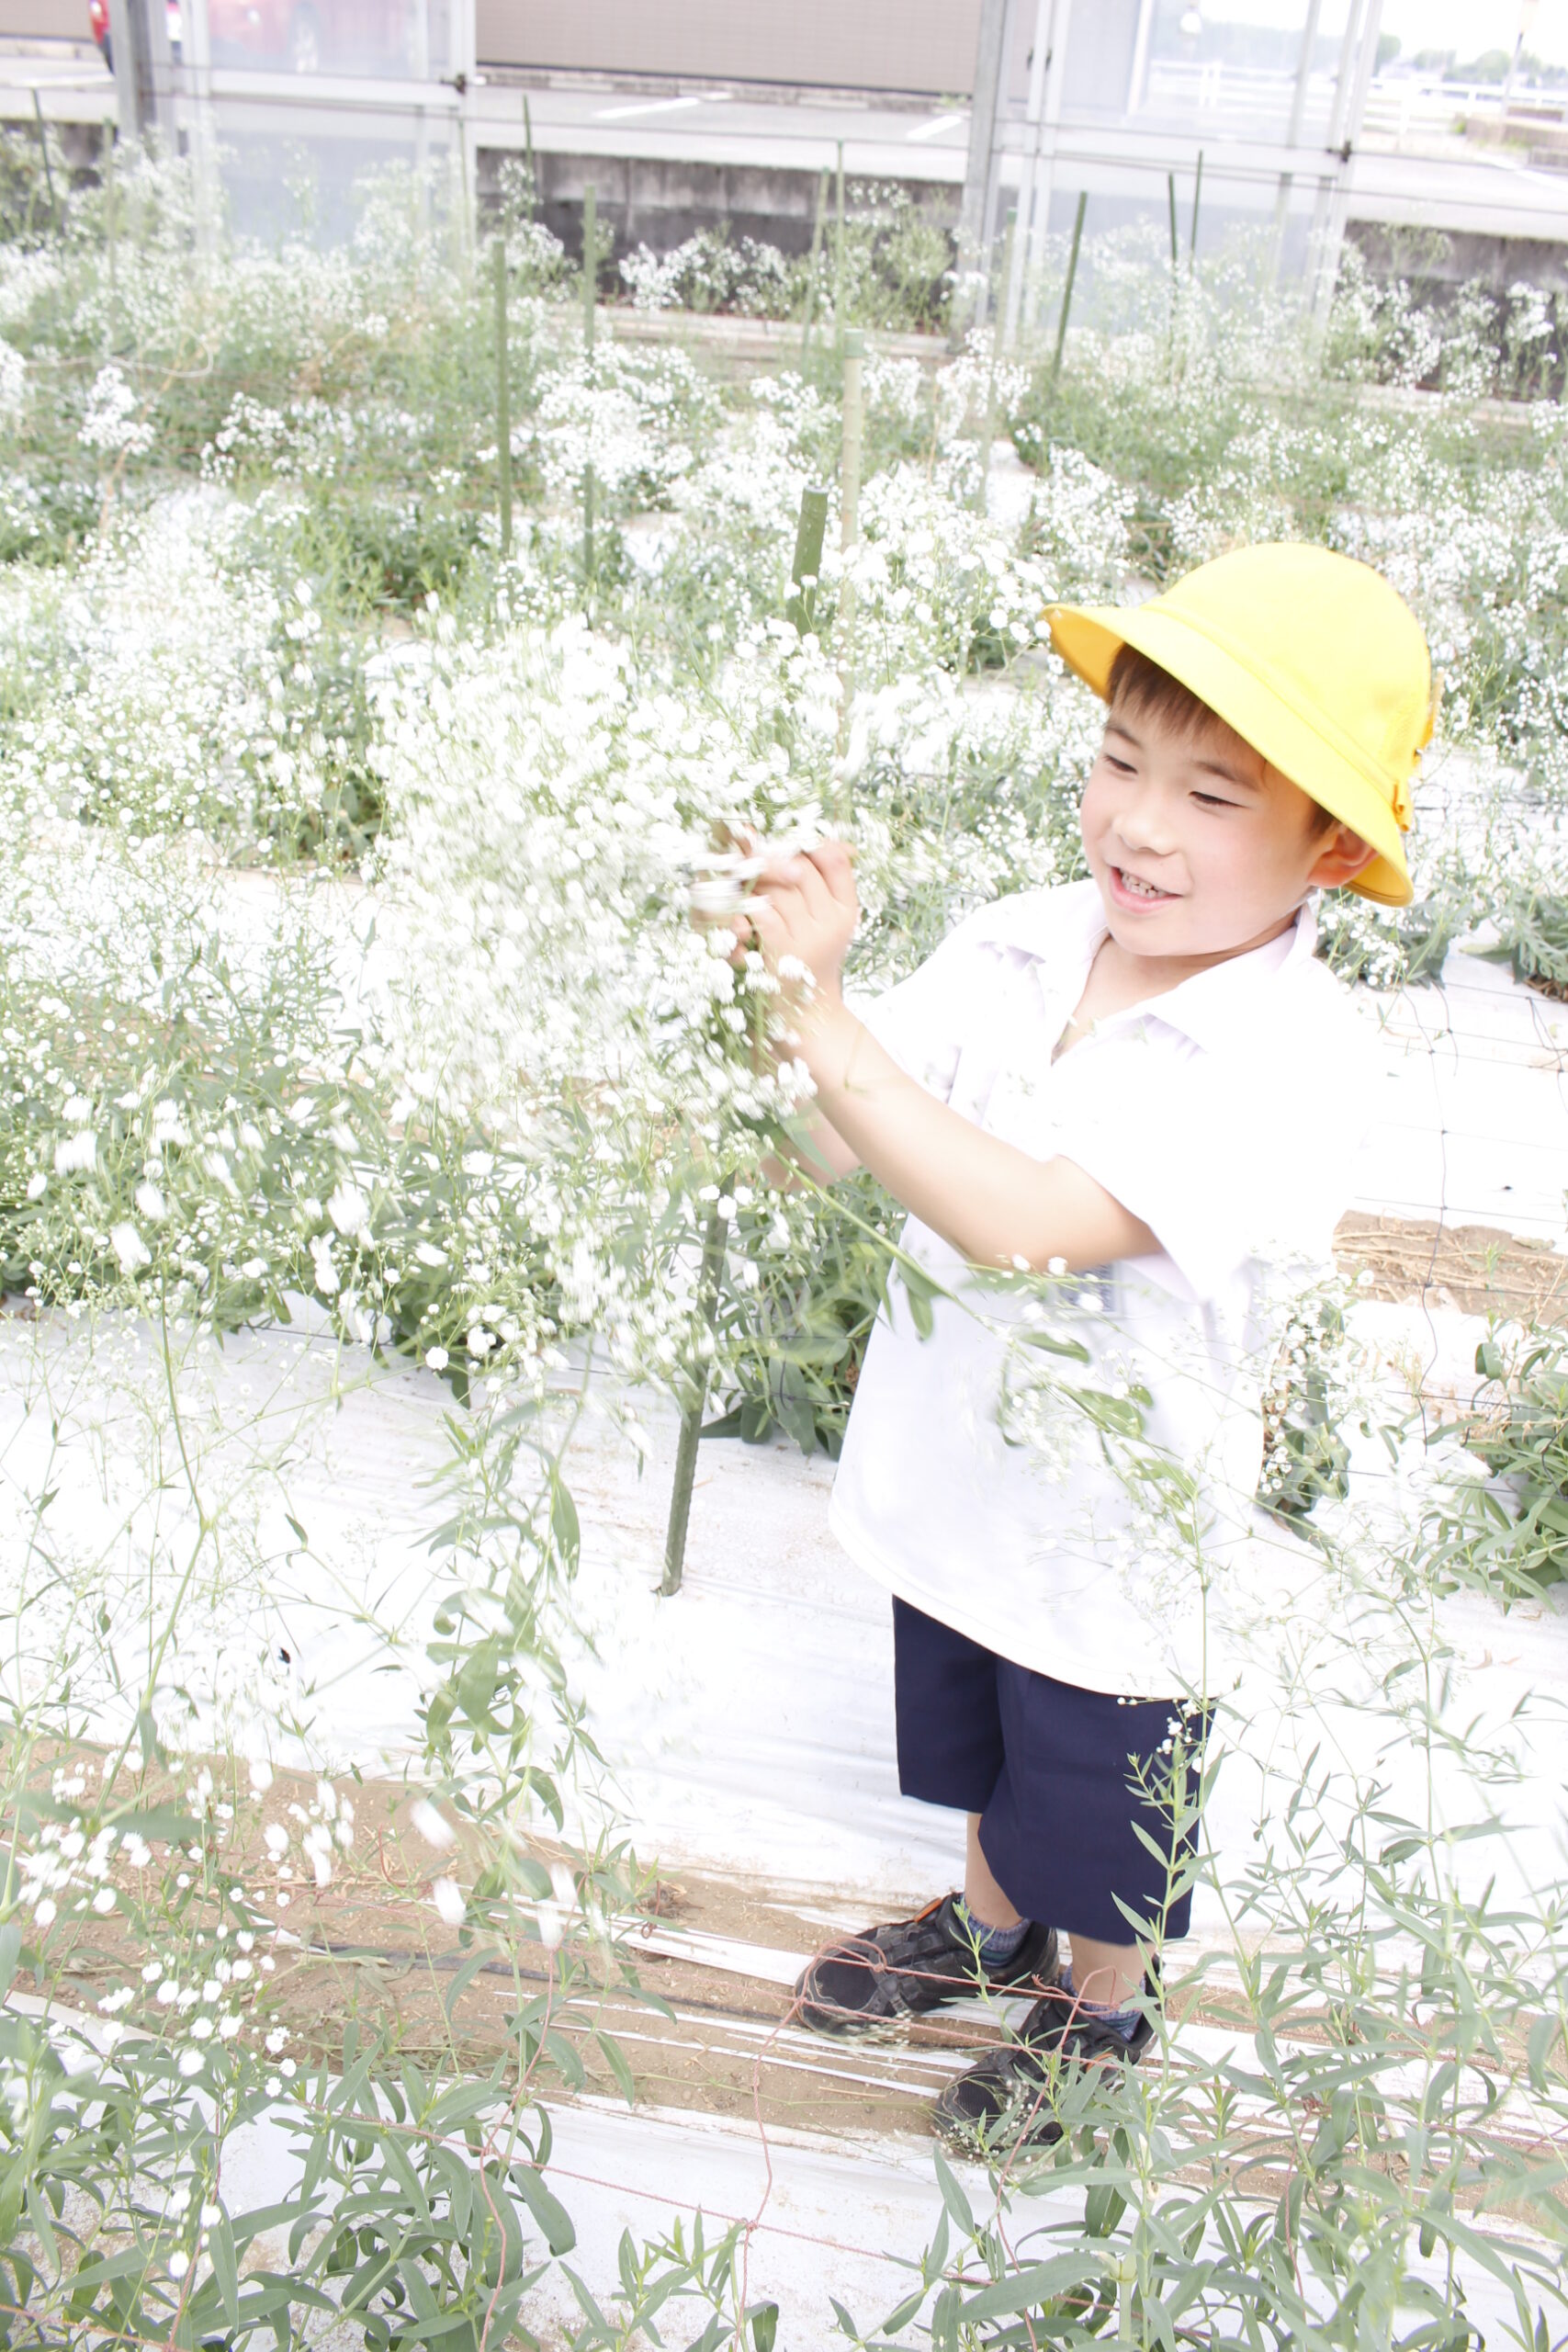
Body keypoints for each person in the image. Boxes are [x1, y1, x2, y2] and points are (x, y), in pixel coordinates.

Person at [725, 541, 1435, 2154]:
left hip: (1122, 1555)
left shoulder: (1287, 1058)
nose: (1138, 822)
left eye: (1209, 796)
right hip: (960, 1479)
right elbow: (842, 1143)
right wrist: (785, 1004)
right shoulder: (1021, 940)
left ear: (1326, 851)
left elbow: (1030, 1221)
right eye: (1120, 760)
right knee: (986, 1746)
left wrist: (835, 1034)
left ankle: (1098, 2013)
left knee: (1101, 1811)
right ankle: (985, 1929)